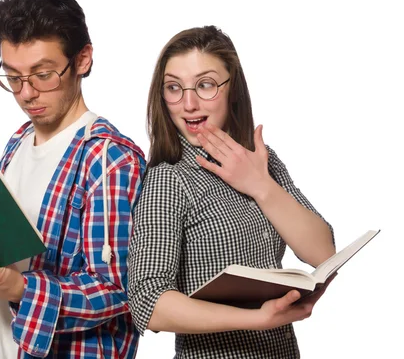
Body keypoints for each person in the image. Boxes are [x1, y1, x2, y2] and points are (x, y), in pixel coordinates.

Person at [0, 0, 146, 359]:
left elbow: (119, 293)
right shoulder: (17, 142)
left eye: (43, 74)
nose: (27, 93)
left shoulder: (111, 159)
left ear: (82, 60)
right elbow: (3, 266)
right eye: (13, 77)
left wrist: (16, 288)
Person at [128, 25, 336, 358]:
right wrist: (255, 319)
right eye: (174, 88)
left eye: (205, 85)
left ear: (233, 88)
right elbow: (147, 302)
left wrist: (260, 186)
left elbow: (322, 251)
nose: (189, 103)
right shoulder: (169, 179)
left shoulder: (262, 161)